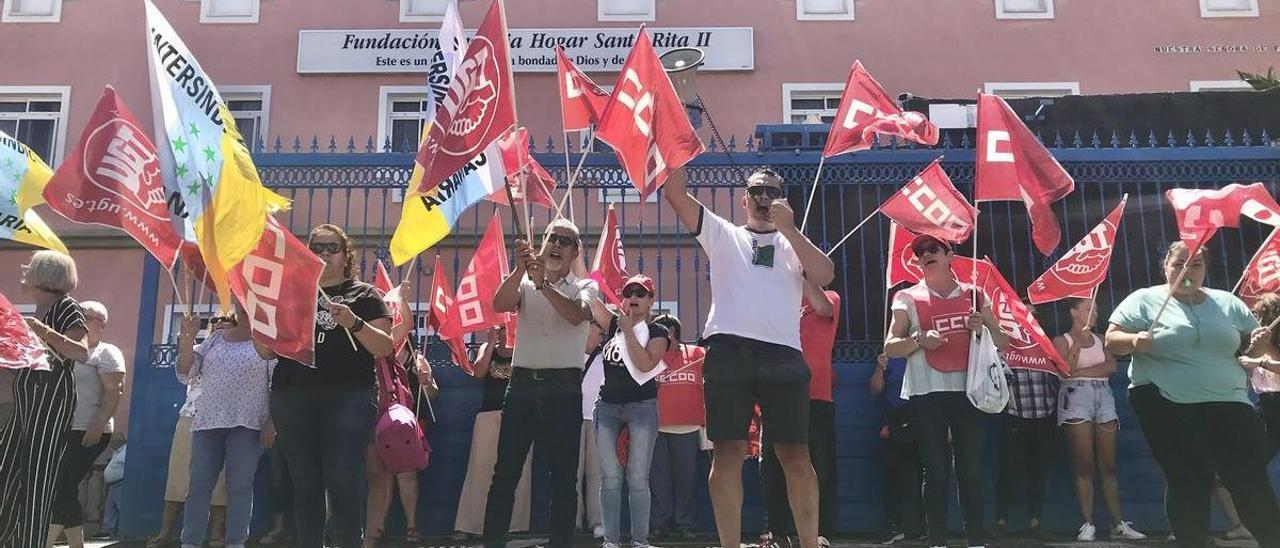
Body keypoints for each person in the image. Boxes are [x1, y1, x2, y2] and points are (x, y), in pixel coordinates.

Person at [663, 166, 835, 548]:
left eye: (772, 191)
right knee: (727, 451)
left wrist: (789, 229)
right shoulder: (723, 234)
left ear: (783, 200)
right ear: (744, 199)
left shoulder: (794, 243)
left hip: (784, 355)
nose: (764, 197)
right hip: (729, 353)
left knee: (795, 453)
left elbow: (825, 274)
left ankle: (809, 542)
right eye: (757, 190)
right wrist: (673, 138)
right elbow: (675, 193)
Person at [1106, 241, 1280, 548]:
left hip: (1230, 402)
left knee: (1249, 480)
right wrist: (1134, 340)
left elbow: (1250, 350)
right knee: (1189, 478)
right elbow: (1111, 340)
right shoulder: (1143, 300)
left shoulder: (1228, 302)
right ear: (1166, 267)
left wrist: (1260, 343)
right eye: (1179, 264)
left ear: (1205, 269)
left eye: (1196, 264)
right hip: (1167, 401)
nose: (1187, 271)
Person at [262, 223, 394, 548]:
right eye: (317, 248)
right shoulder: (291, 294)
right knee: (305, 482)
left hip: (348, 397)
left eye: (332, 248)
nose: (324, 254)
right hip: (293, 396)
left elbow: (384, 347)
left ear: (345, 254)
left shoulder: (364, 294)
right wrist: (257, 316)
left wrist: (355, 322)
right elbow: (266, 351)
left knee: (342, 479)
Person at [883, 234, 1010, 548]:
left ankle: (976, 541)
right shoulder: (907, 298)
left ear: (949, 254)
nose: (925, 254)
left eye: (932, 249)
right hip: (926, 393)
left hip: (968, 391)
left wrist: (987, 327)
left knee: (971, 468)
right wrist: (919, 339)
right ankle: (937, 542)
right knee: (935, 470)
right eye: (919, 252)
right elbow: (890, 346)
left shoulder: (974, 295)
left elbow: (1005, 343)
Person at [486, 219, 598, 548]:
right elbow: (499, 304)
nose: (558, 245)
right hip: (521, 386)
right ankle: (493, 542)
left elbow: (577, 315)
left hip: (563, 388)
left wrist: (545, 286)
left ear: (576, 251)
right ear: (543, 243)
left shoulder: (585, 286)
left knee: (564, 478)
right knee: (505, 473)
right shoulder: (525, 282)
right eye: (552, 239)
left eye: (566, 241)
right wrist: (520, 270)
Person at [0, 250, 90, 548]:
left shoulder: (67, 307)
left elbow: (81, 351)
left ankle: (30, 542)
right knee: (7, 469)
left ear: (45, 275)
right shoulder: (37, 309)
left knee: (38, 476)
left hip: (50, 398)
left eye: (30, 267)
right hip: (27, 398)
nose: (23, 271)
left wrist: (43, 331)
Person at [176, 302, 276, 548]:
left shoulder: (268, 345)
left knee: (240, 486)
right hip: (208, 423)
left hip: (249, 424)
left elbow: (277, 385)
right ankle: (190, 542)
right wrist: (187, 339)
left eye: (252, 310)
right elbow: (184, 372)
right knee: (198, 485)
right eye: (242, 308)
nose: (247, 313)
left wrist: (270, 423)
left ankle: (236, 542)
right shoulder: (215, 340)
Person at [1051, 297, 1145, 542]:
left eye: (1095, 311)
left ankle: (1117, 523)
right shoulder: (1062, 340)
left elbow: (1111, 367)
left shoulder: (1102, 339)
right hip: (1075, 397)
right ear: (1074, 312)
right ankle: (1088, 522)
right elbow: (1064, 370)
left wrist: (1080, 372)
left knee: (1109, 465)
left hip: (1102, 395)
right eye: (1088, 310)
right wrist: (1079, 344)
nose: (1093, 315)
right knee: (1083, 464)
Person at [590, 274, 670, 548]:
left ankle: (639, 540)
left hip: (642, 408)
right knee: (610, 477)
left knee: (637, 477)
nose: (633, 297)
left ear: (650, 301)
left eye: (640, 293)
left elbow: (646, 364)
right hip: (608, 406)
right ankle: (611, 541)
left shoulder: (659, 332)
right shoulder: (613, 323)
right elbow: (590, 294)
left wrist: (627, 331)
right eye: (628, 293)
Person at [760, 280, 841, 547]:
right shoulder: (775, 302)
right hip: (776, 395)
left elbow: (825, 309)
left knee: (820, 467)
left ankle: (821, 532)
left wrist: (802, 274)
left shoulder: (829, 296)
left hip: (816, 396)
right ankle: (777, 531)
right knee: (772, 466)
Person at [47, 300, 126, 548]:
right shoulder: (65, 349)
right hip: (63, 428)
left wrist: (97, 424)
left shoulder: (106, 353)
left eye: (84, 316)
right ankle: (76, 545)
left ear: (100, 324)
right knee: (66, 487)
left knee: (62, 485)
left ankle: (44, 542)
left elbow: (115, 392)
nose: (76, 319)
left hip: (90, 430)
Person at [150, 314, 229, 548]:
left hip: (225, 421)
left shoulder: (241, 354)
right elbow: (184, 374)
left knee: (220, 481)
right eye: (216, 327)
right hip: (192, 417)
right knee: (179, 476)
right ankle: (166, 531)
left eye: (226, 328)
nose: (219, 332)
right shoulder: (197, 350)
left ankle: (216, 533)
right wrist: (186, 339)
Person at [453, 325, 533, 540]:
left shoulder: (524, 350)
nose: (505, 330)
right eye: (501, 327)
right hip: (489, 414)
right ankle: (470, 525)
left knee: (519, 471)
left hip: (519, 416)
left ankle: (513, 525)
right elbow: (478, 372)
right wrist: (490, 343)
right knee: (479, 468)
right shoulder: (487, 348)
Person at [364, 323, 436, 547]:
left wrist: (426, 382)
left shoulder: (417, 358)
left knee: (406, 474)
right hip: (380, 422)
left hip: (409, 424)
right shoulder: (374, 354)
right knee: (381, 475)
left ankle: (411, 527)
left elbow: (433, 393)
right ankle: (377, 530)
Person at [649, 314, 705, 541]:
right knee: (659, 481)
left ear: (675, 332)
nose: (666, 335)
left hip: (688, 427)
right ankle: (660, 524)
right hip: (657, 428)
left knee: (686, 481)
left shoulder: (696, 354)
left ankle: (684, 524)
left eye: (669, 330)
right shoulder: (650, 357)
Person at [870, 353, 924, 545]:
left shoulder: (924, 355)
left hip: (923, 419)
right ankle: (894, 525)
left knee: (922, 474)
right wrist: (879, 367)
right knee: (893, 475)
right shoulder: (890, 356)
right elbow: (875, 389)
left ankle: (922, 526)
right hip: (895, 421)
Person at [579, 316, 606, 540]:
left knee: (597, 473)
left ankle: (598, 521)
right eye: (597, 327)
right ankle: (573, 520)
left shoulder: (606, 357)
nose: (601, 332)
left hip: (597, 418)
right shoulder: (570, 353)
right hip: (573, 419)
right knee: (572, 473)